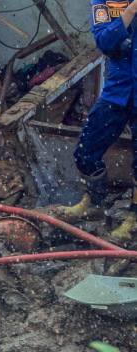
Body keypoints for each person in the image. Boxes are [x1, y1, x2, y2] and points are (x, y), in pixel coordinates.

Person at [76, 0, 137, 240]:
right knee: (85, 151)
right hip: (117, 91)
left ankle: (133, 219)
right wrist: (131, 10)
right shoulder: (103, 1)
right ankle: (94, 205)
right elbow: (105, 43)